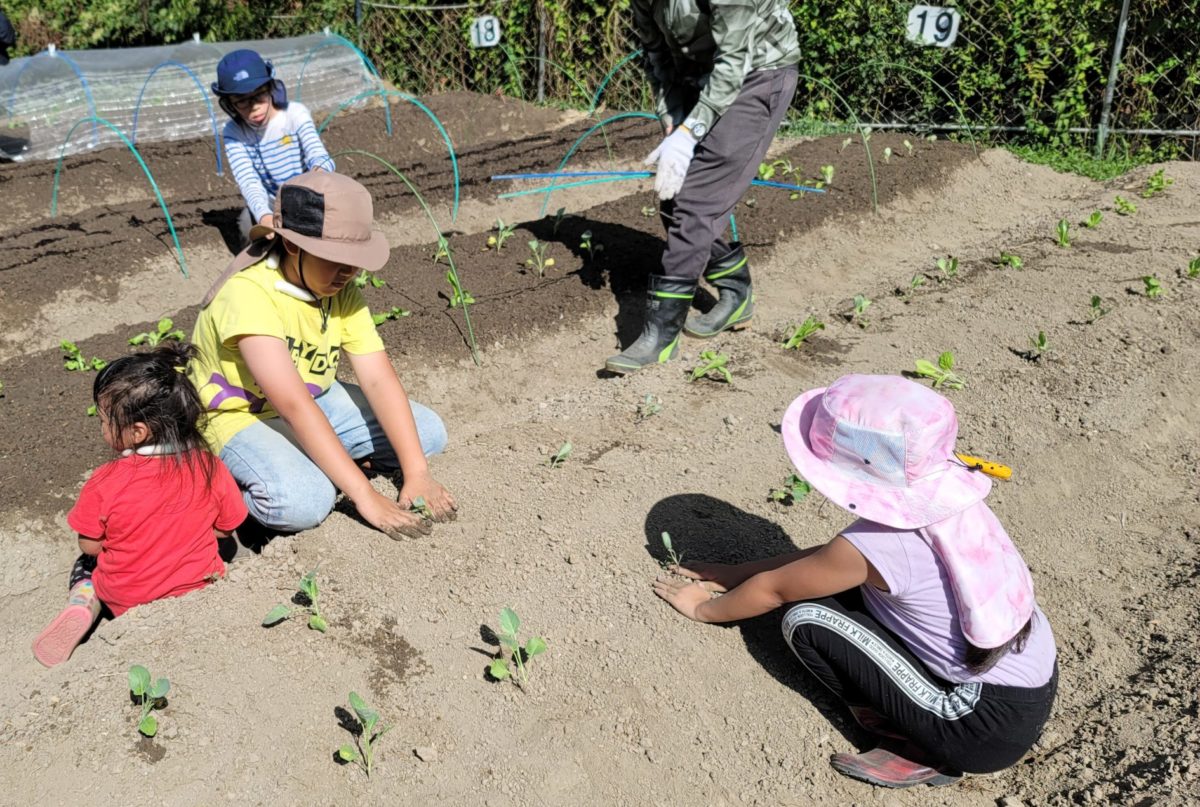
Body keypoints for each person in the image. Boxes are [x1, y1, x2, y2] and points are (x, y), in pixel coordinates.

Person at [653, 375, 1057, 788]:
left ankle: (915, 744)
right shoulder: (950, 507)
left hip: (978, 724)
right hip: (1027, 672)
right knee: (843, 590)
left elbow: (775, 590)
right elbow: (834, 558)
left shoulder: (877, 546)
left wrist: (703, 608)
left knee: (806, 617)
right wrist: (739, 572)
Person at [189, 170, 455, 540]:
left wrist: (417, 473)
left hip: (317, 398)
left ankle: (319, 458)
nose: (349, 270)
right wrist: (364, 495)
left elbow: (377, 377)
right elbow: (292, 404)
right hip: (239, 415)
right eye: (335, 257)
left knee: (428, 434)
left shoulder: (339, 290)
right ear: (294, 245)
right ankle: (222, 490)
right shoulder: (249, 293)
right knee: (304, 501)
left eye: (355, 258)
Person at [607, 0, 800, 373]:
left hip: (757, 74)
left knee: (695, 203)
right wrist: (673, 122)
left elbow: (734, 60)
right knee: (673, 196)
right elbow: (656, 55)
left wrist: (691, 133)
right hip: (700, 75)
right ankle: (736, 291)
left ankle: (660, 335)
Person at [32, 344, 248, 667]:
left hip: (126, 599)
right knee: (218, 547)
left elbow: (90, 544)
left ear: (137, 432)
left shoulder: (106, 480)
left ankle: (84, 602)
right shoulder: (208, 466)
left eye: (104, 420)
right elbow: (226, 528)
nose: (101, 427)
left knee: (85, 564)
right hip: (196, 591)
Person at [211, 49, 334, 247]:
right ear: (230, 104)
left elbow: (317, 154)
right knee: (247, 226)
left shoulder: (294, 115)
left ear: (270, 88)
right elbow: (248, 180)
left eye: (259, 96)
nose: (254, 107)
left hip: (307, 195)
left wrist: (319, 174)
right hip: (272, 202)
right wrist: (264, 216)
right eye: (242, 101)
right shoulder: (234, 133)